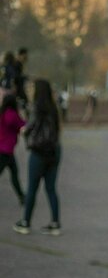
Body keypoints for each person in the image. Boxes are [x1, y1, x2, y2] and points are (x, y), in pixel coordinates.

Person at [14, 79, 62, 236]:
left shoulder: (36, 108)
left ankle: (25, 222)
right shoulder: (54, 109)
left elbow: (30, 128)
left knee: (32, 188)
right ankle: (55, 223)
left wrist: (22, 130)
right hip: (54, 151)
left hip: (39, 152)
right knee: (51, 188)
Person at [0, 94, 26, 204]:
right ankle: (22, 196)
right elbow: (21, 124)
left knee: (14, 173)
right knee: (14, 173)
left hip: (6, 149)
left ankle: (21, 196)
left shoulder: (3, 112)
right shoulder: (11, 114)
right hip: (5, 150)